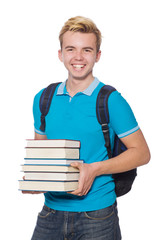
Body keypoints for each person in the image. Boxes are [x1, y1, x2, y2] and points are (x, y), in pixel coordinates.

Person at [23, 16, 150, 240]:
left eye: (87, 50)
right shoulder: (43, 98)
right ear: (60, 54)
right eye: (71, 49)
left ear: (97, 55)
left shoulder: (110, 100)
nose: (78, 57)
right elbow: (43, 154)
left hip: (97, 215)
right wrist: (36, 180)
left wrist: (94, 169)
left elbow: (142, 153)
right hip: (50, 212)